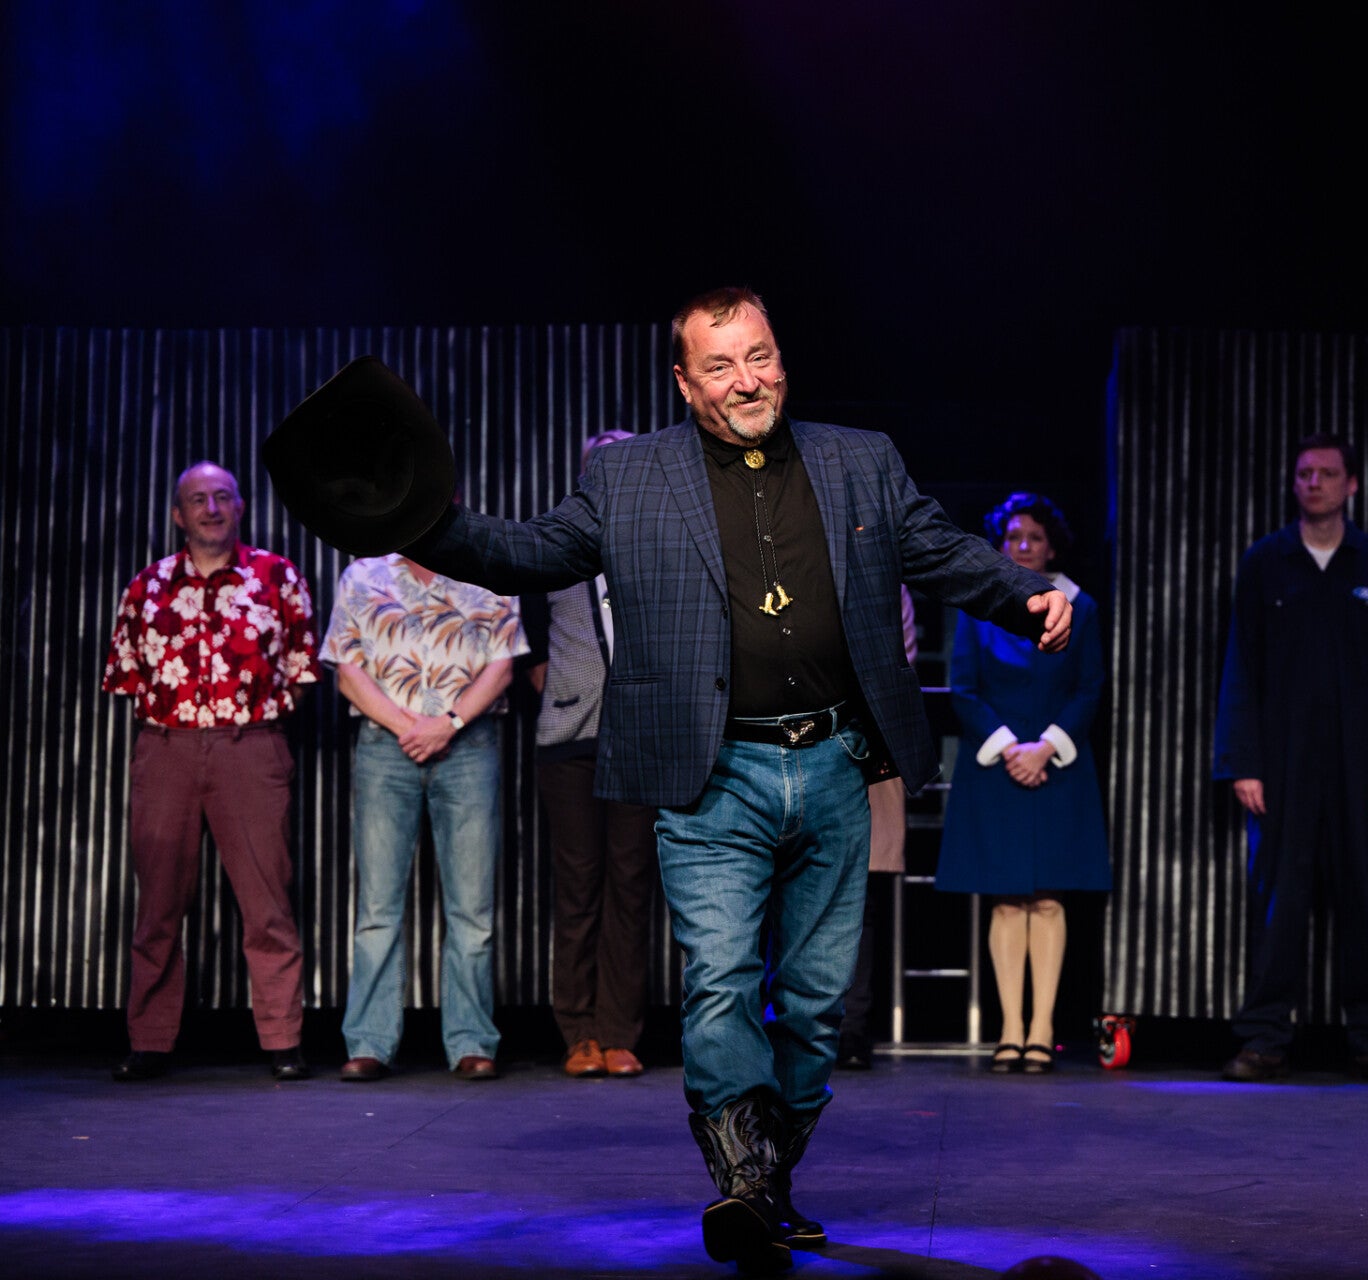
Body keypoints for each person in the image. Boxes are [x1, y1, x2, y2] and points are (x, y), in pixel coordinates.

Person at [334, 288, 1070, 1274]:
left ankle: (766, 1182)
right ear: (685, 383)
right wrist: (415, 519)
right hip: (711, 770)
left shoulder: (860, 458)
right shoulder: (629, 474)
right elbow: (530, 552)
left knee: (812, 1004)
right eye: (719, 365)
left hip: (833, 762)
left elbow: (936, 550)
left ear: (781, 360)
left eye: (758, 356)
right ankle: (746, 1184)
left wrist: (1023, 593)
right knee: (719, 981)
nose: (745, 380)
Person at [102, 461, 319, 1082]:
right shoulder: (147, 586)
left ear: (240, 507)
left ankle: (282, 1040)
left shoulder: (277, 576)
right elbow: (127, 675)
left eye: (223, 496)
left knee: (267, 901)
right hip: (166, 747)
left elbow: (302, 670)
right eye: (198, 500)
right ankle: (150, 1041)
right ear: (179, 515)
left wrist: (248, 722)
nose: (212, 508)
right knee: (158, 904)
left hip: (249, 746)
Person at [1215, 436, 1368, 1085]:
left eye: (1328, 474)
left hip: (1361, 770)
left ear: (1351, 484)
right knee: (1278, 906)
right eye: (1304, 473)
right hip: (1281, 768)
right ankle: (1264, 1038)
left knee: (1363, 905)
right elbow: (1240, 666)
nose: (1314, 483)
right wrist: (1242, 761)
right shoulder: (1265, 562)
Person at [319, 548, 526, 1082]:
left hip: (469, 745)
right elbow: (347, 671)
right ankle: (370, 1043)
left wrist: (447, 723)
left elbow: (502, 665)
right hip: (386, 747)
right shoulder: (364, 575)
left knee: (472, 908)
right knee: (377, 907)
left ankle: (471, 1041)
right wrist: (411, 728)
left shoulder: (487, 568)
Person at [936, 494, 1111, 1074]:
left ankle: (1043, 1029)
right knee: (1008, 900)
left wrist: (1046, 748)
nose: (1023, 546)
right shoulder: (978, 607)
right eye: (1013, 538)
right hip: (997, 767)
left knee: (1049, 899)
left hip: (1059, 767)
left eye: (1034, 537)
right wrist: (1011, 748)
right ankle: (1010, 1029)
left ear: (1052, 546)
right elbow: (964, 688)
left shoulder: (1081, 608)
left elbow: (1089, 687)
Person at [522, 429, 659, 1081]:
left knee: (631, 886)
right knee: (578, 886)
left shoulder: (660, 543)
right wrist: (559, 685)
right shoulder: (556, 546)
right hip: (569, 739)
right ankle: (578, 1033)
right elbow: (527, 635)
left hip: (640, 739)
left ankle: (619, 1032)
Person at [836, 584, 920, 1071]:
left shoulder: (887, 583)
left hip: (860, 752)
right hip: (780, 747)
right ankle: (789, 1023)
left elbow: (893, 664)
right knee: (783, 898)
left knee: (857, 904)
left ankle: (851, 1027)